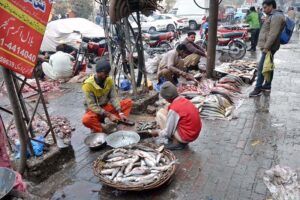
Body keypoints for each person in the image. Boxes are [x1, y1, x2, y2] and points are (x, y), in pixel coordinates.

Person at [82, 60, 133, 133]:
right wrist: (109, 115)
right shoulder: (88, 84)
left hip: (105, 107)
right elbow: (92, 105)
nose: (105, 75)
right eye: (103, 73)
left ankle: (118, 121)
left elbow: (113, 97)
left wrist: (120, 112)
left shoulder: (108, 80)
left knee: (128, 102)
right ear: (98, 72)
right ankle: (102, 130)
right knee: (86, 119)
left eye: (106, 73)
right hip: (94, 110)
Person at [149, 81, 202, 150]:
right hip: (194, 133)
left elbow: (168, 131)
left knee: (159, 115)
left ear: (167, 99)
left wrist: (158, 132)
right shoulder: (184, 100)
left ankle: (177, 143)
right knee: (163, 111)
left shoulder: (174, 109)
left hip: (187, 136)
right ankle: (179, 139)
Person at [249, 0, 285, 97]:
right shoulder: (273, 15)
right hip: (269, 46)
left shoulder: (277, 16)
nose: (264, 9)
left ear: (271, 6)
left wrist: (266, 47)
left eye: (265, 7)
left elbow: (273, 34)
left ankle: (258, 88)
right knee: (269, 65)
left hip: (269, 47)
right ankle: (267, 85)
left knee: (261, 67)